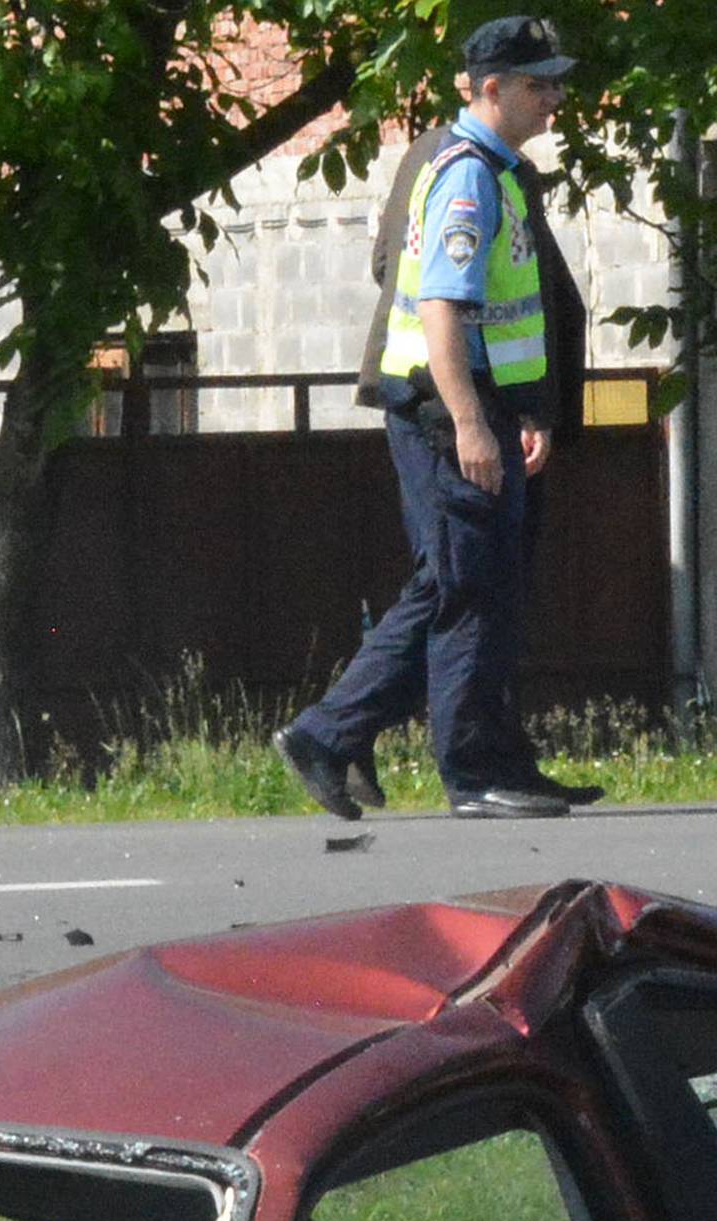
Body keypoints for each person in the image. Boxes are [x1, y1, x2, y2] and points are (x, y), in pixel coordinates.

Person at [275, 17, 589, 821]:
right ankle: (470, 769)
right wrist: (473, 423)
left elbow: (509, 313)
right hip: (449, 410)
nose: (554, 98)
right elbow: (443, 307)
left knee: (466, 581)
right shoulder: (467, 177)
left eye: (554, 81)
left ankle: (344, 735)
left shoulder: (499, 170)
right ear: (491, 88)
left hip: (482, 405)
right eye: (537, 84)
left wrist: (523, 411)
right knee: (468, 587)